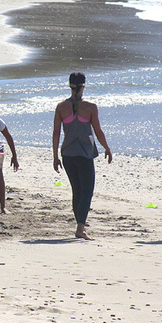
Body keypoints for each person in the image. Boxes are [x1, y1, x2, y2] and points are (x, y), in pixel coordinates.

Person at [52, 72, 113, 240]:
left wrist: (55, 156)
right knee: (87, 190)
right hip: (84, 154)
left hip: (67, 153)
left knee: (76, 190)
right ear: (84, 85)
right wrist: (107, 148)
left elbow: (56, 133)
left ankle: (80, 224)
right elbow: (98, 131)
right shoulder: (90, 107)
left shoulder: (61, 107)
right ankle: (80, 227)